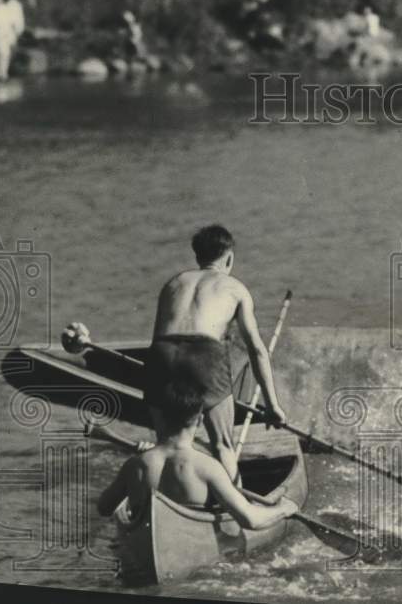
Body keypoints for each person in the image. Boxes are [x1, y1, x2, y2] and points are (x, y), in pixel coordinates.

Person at [146, 225, 287, 482]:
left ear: (198, 257)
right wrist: (272, 406)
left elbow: (158, 338)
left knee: (165, 443)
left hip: (162, 353)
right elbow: (257, 350)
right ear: (229, 258)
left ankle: (168, 498)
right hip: (204, 354)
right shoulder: (234, 287)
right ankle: (234, 506)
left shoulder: (173, 283)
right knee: (223, 445)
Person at [97, 375, 298, 526]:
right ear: (200, 420)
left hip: (142, 547)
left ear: (156, 417)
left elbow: (104, 508)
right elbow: (250, 520)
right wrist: (283, 509)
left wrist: (135, 479)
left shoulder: (136, 465)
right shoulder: (208, 467)